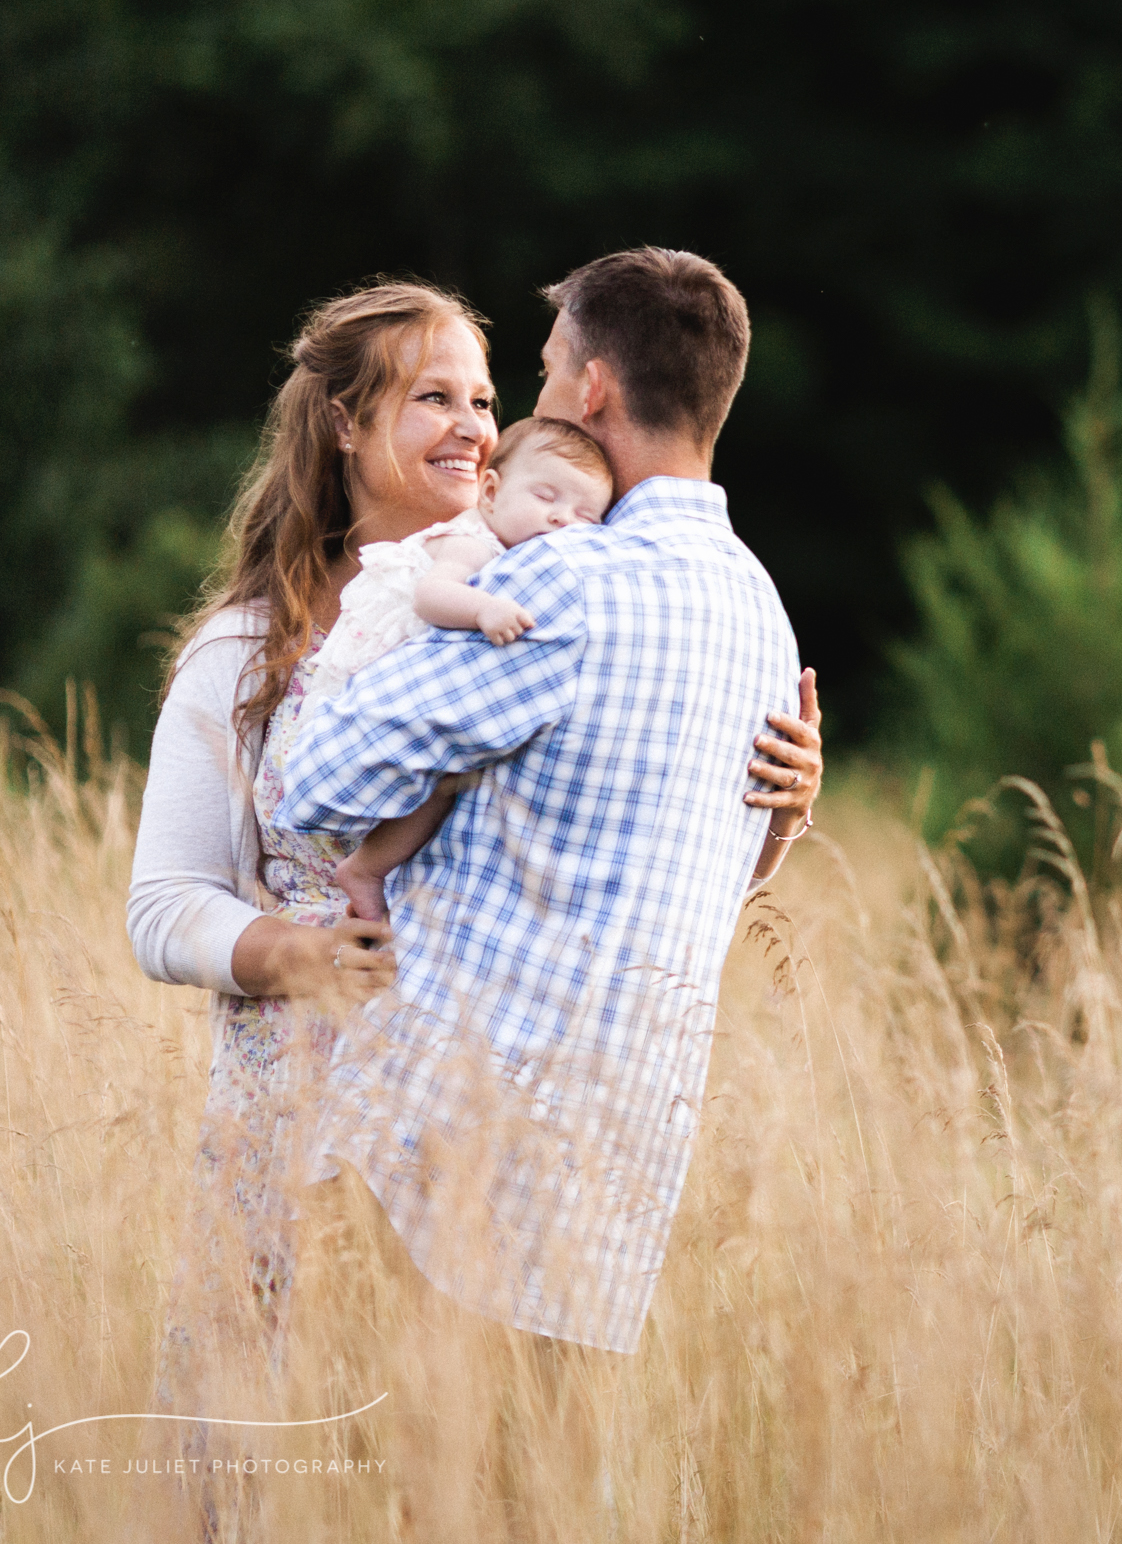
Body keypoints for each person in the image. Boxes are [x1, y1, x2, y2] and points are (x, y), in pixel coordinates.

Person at [123, 278, 823, 1518]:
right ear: (343, 423)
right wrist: (294, 952)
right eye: (432, 396)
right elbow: (164, 900)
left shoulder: (539, 594)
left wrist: (779, 807)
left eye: (489, 396)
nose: (476, 426)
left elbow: (624, 834)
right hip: (294, 1099)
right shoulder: (245, 647)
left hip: (440, 1130)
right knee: (255, 1478)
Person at [276, 247, 806, 1371]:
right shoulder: (764, 614)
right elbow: (714, 865)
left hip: (437, 1168)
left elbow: (321, 785)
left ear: (596, 389)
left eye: (548, 366)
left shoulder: (568, 580)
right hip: (608, 1203)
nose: (531, 398)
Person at [316, 415, 616, 922]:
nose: (562, 518)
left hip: (399, 687)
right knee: (446, 780)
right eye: (545, 497)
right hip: (373, 680)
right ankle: (366, 869)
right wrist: (484, 610)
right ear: (492, 492)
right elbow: (432, 596)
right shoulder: (473, 540)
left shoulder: (524, 558)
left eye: (586, 516)